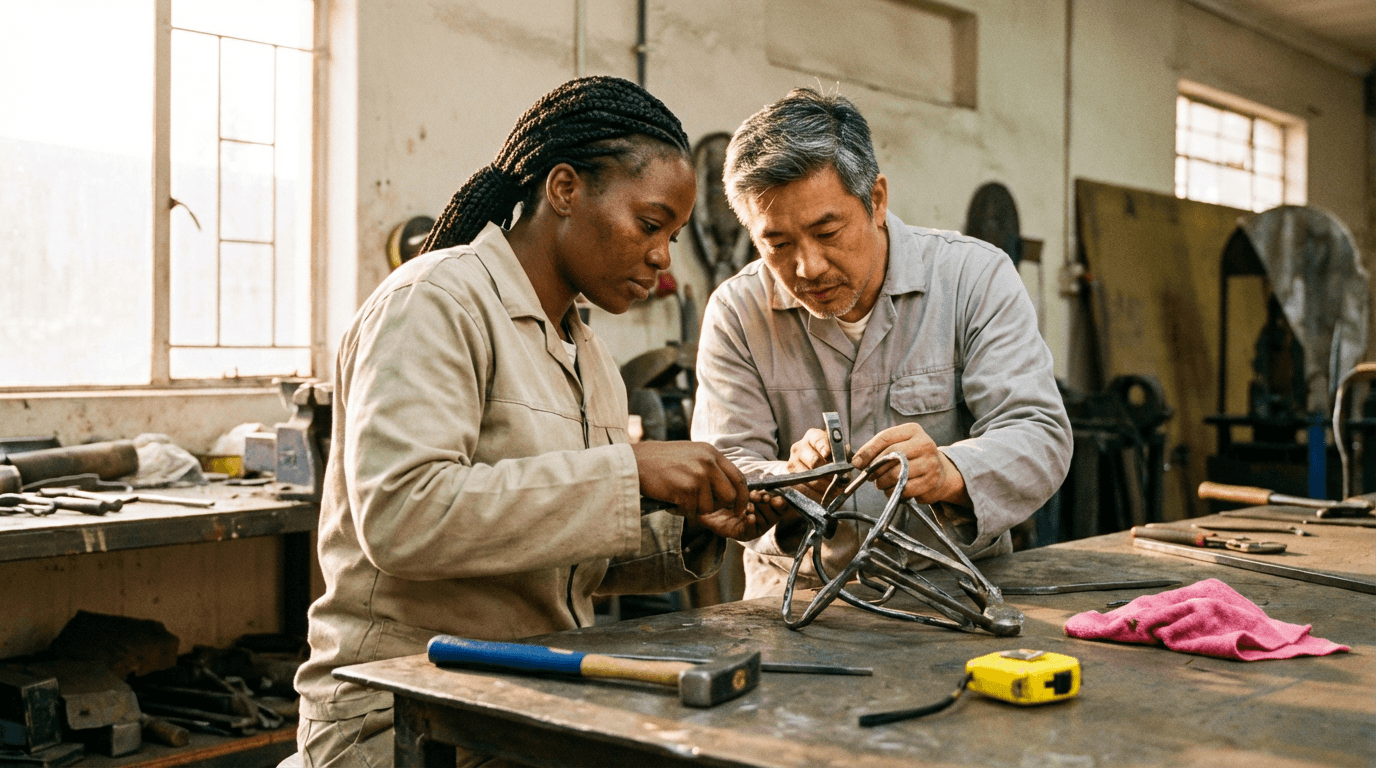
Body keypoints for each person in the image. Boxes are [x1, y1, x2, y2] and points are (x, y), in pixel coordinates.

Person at [293, 76, 780, 767]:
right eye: (649, 225)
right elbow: (401, 518)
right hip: (403, 714)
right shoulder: (434, 303)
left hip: (522, 704)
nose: (662, 257)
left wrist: (694, 530)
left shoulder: (587, 354)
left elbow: (555, 555)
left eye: (671, 235)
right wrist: (631, 469)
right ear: (564, 189)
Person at [691, 87, 1072, 599]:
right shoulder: (736, 314)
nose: (808, 268)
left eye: (827, 232)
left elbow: (1038, 432)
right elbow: (724, 464)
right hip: (793, 603)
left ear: (875, 200)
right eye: (777, 244)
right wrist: (787, 480)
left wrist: (951, 471)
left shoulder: (973, 278)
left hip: (951, 593)